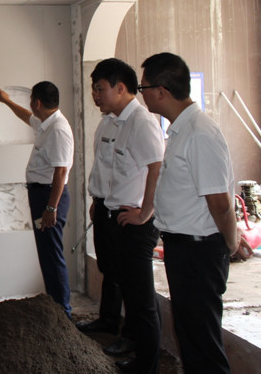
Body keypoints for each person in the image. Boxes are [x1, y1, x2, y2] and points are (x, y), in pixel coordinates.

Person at [139, 52, 252, 374]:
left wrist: (230, 243)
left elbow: (220, 202)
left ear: (161, 91)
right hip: (184, 248)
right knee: (189, 335)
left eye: (143, 87)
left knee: (202, 341)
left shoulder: (200, 133)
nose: (141, 93)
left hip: (200, 251)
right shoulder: (181, 130)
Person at [78, 59, 165, 373]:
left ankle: (147, 363)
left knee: (140, 297)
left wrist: (146, 212)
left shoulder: (141, 123)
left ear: (121, 88)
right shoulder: (111, 121)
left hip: (133, 220)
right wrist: (98, 200)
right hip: (111, 211)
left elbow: (157, 168)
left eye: (100, 89)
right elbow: (107, 169)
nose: (95, 95)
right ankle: (133, 343)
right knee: (120, 280)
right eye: (94, 89)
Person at [0, 82, 74, 318]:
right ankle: (57, 308)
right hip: (43, 195)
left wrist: (51, 207)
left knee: (52, 255)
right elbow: (27, 117)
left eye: (31, 100)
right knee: (47, 254)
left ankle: (63, 313)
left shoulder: (58, 129)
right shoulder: (46, 123)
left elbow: (61, 172)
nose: (30, 105)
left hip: (50, 197)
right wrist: (7, 101)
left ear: (37, 102)